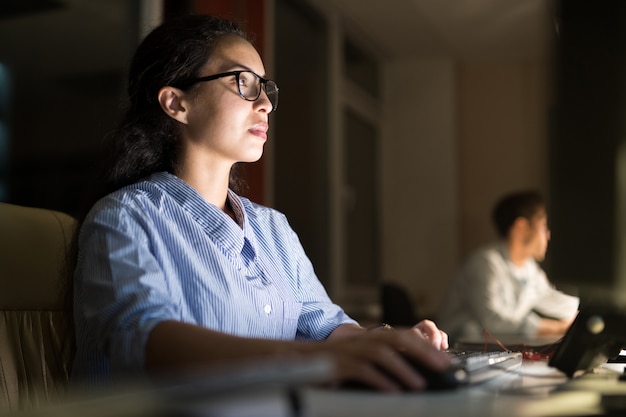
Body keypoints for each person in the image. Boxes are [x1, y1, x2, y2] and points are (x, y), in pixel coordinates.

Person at [70, 15, 450, 393]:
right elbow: (145, 339)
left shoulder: (273, 228)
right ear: (176, 103)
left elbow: (327, 326)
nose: (266, 103)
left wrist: (388, 343)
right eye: (244, 83)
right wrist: (311, 361)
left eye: (265, 87)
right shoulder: (124, 217)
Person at [437, 190, 579, 345]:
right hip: (457, 351)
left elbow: (553, 300)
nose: (548, 235)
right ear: (521, 227)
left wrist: (586, 314)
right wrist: (556, 328)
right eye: (543, 226)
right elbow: (492, 321)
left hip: (496, 353)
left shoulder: (530, 269)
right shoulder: (486, 263)